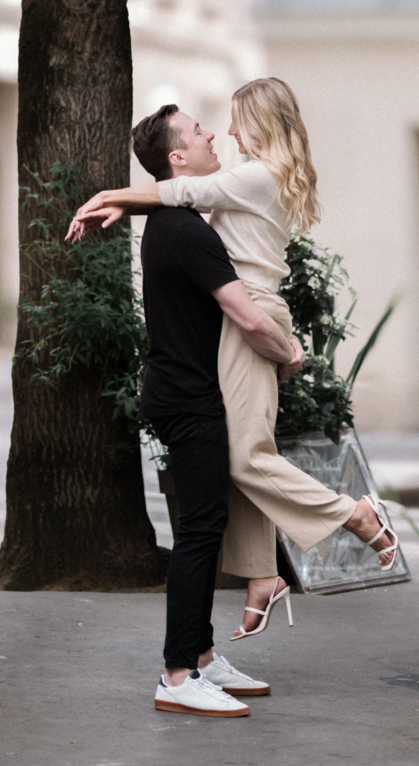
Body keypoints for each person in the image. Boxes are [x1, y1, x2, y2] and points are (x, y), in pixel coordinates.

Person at [69, 77, 398, 641]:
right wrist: (126, 204)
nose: (226, 132)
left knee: (247, 456)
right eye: (212, 126)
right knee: (236, 452)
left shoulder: (253, 177)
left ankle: (354, 513)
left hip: (252, 312)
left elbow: (179, 194)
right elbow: (182, 199)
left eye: (236, 121)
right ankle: (261, 576)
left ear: (262, 123)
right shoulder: (256, 179)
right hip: (241, 315)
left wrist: (110, 197)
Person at [130, 104, 305, 718]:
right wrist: (287, 352)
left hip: (183, 389)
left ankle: (203, 659)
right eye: (199, 132)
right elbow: (248, 314)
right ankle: (178, 675)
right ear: (178, 158)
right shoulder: (188, 231)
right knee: (199, 533)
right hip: (191, 397)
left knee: (205, 527)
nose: (212, 135)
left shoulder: (180, 221)